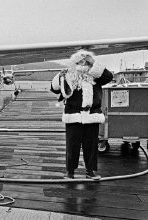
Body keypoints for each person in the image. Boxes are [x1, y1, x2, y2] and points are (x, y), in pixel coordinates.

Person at [50, 50, 113, 180]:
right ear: (74, 63)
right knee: (72, 146)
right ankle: (70, 172)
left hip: (92, 116)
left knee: (91, 147)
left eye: (85, 61)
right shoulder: (68, 75)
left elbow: (109, 77)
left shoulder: (96, 76)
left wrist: (94, 63)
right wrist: (59, 76)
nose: (82, 64)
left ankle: (90, 171)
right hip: (73, 116)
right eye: (79, 61)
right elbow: (54, 88)